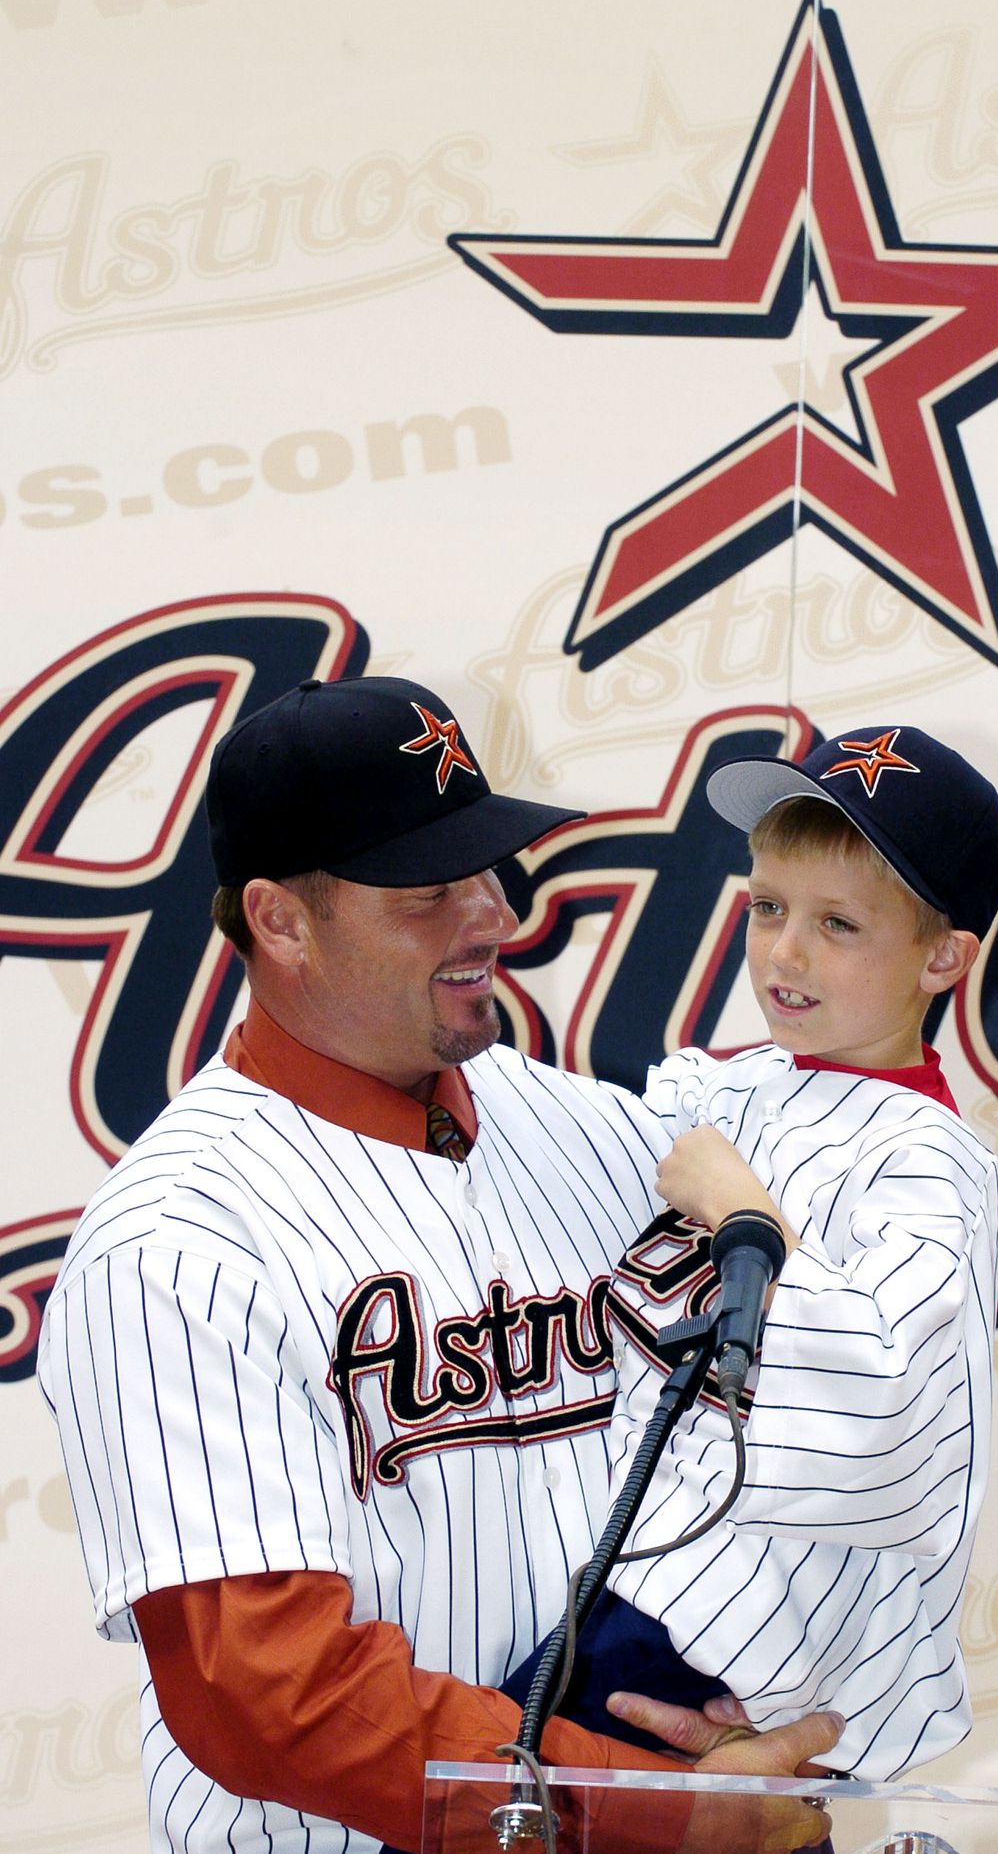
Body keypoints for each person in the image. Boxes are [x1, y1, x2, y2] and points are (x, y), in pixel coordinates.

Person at [36, 675, 841, 1854]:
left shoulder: (602, 1132)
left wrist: (752, 1699)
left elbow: (793, 1431)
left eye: (487, 867)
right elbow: (272, 1694)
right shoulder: (175, 1244)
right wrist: (648, 1808)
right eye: (429, 890)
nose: (496, 912)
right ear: (281, 921)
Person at [504, 724, 998, 1781]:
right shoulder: (721, 1085)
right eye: (768, 907)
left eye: (838, 923)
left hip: (725, 1627)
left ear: (942, 957)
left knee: (486, 1803)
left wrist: (745, 1214)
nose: (784, 951)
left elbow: (889, 1401)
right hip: (611, 1570)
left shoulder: (931, 1159)